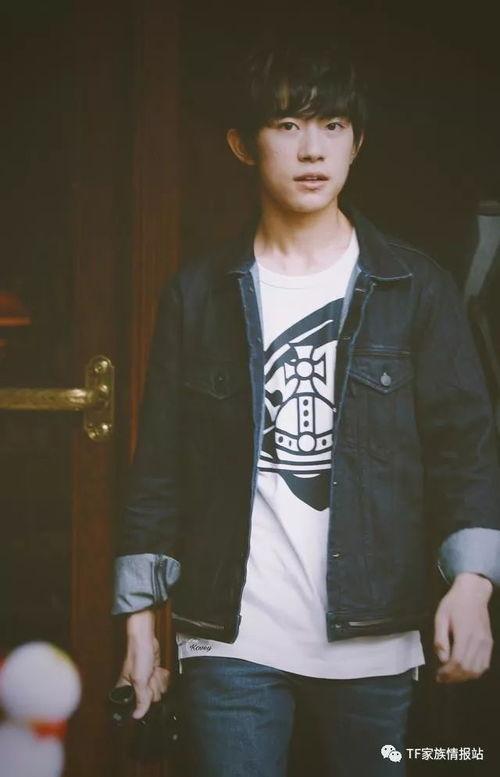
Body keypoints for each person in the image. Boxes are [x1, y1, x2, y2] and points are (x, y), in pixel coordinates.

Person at [111, 34, 500, 777]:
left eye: (333, 125)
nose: (312, 148)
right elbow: (158, 467)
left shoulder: (415, 289)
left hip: (376, 638)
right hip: (232, 638)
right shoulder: (197, 295)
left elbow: (466, 451)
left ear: (357, 143)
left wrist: (473, 585)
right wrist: (138, 624)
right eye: (287, 125)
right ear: (243, 144)